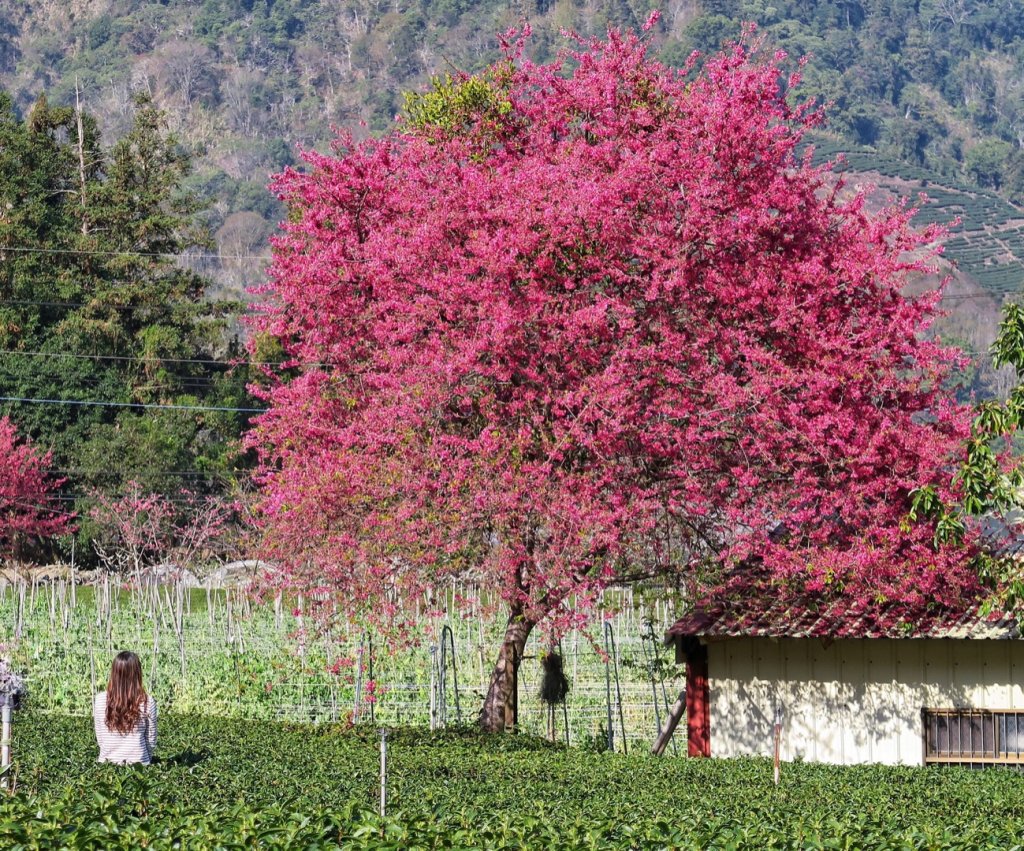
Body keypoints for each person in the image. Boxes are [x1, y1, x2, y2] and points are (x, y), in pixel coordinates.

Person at [93, 651, 157, 765]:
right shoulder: (147, 701)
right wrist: (144, 758)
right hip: (139, 764)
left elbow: (100, 738)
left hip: (107, 763)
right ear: (137, 674)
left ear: (114, 673)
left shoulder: (100, 699)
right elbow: (151, 741)